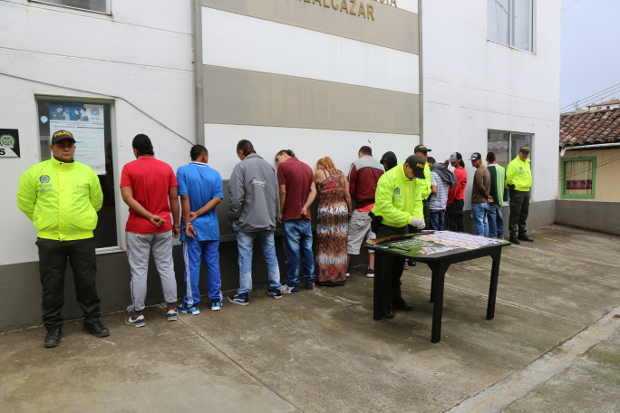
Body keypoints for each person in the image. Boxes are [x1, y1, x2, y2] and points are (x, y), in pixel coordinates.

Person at [17, 130, 109, 348]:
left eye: (69, 144)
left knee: (87, 283)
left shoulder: (87, 173)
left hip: (82, 238)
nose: (66, 147)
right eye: (61, 144)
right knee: (52, 286)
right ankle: (53, 328)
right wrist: (42, 219)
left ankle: (92, 321)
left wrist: (80, 220)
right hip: (50, 239)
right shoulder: (36, 173)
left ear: (74, 147)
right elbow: (25, 202)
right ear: (52, 148)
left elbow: (96, 202)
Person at [120, 134, 179, 328]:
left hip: (138, 228)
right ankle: (171, 309)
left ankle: (138, 314)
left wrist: (147, 215)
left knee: (139, 270)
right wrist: (176, 224)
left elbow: (128, 198)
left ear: (135, 150)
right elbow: (174, 199)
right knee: (166, 266)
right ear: (152, 148)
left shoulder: (129, 168)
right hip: (163, 226)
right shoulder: (166, 168)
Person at [372, 155, 429, 318]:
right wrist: (409, 219)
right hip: (386, 228)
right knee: (385, 270)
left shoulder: (415, 179)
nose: (415, 177)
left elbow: (418, 200)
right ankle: (384, 306)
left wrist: (419, 218)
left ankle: (396, 299)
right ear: (406, 166)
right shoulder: (388, 178)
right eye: (414, 173)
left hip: (402, 228)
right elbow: (385, 208)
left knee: (397, 268)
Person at [228, 140, 283, 305]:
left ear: (241, 151)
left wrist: (234, 216)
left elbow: (236, 198)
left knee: (245, 258)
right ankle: (275, 288)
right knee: (271, 255)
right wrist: (274, 217)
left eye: (238, 153)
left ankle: (243, 294)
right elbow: (276, 196)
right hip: (268, 221)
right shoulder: (269, 168)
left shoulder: (241, 167)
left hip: (246, 223)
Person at [177, 145, 224, 314]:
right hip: (211, 227)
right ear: (204, 156)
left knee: (192, 266)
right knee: (213, 264)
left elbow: (184, 197)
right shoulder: (215, 174)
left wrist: (189, 220)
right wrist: (201, 212)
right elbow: (218, 198)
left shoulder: (182, 171)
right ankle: (215, 301)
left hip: (193, 228)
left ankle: (192, 304)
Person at [275, 149, 317, 293]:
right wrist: (305, 206)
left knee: (293, 252)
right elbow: (314, 191)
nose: (277, 164)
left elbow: (283, 191)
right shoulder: (307, 167)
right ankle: (310, 280)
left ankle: (293, 284)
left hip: (291, 217)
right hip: (306, 217)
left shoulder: (283, 167)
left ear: (282, 155)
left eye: (277, 160)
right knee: (307, 249)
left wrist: (281, 211)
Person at [347, 146, 384, 278]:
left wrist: (350, 206)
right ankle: (371, 270)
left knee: (352, 239)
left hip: (362, 208)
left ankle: (346, 269)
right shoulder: (381, 166)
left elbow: (350, 187)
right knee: (372, 240)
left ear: (360, 153)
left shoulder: (356, 164)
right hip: (377, 210)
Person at [315, 157, 351, 286]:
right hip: (341, 210)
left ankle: (325, 277)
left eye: (318, 166)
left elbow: (317, 192)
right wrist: (349, 210)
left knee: (325, 244)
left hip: (326, 211)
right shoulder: (341, 174)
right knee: (340, 244)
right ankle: (339, 277)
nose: (317, 168)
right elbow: (347, 194)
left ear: (322, 165)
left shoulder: (320, 173)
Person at [506, 146, 534, 244]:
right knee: (515, 214)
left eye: (527, 154)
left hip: (526, 190)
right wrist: (511, 185)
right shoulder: (513, 163)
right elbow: (509, 176)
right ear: (520, 153)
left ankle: (522, 234)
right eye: (524, 153)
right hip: (517, 191)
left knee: (524, 213)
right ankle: (512, 235)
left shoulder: (527, 162)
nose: (526, 156)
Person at [428, 157, 454, 231]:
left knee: (434, 230)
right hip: (443, 205)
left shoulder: (433, 174)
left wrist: (426, 192)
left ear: (430, 164)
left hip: (434, 206)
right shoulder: (444, 173)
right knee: (441, 230)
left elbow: (434, 190)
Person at [470, 152, 492, 237]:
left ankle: (481, 242)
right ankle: (486, 241)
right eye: (472, 161)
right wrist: (488, 197)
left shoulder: (479, 171)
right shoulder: (486, 170)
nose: (473, 163)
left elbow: (480, 186)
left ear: (479, 160)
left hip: (479, 201)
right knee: (484, 221)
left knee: (479, 222)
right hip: (485, 202)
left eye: (474, 161)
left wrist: (486, 195)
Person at [486, 152, 507, 239]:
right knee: (499, 217)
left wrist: (489, 198)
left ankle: (493, 237)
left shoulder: (487, 170)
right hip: (500, 198)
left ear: (487, 160)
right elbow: (505, 185)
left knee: (492, 218)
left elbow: (490, 185)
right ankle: (500, 235)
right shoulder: (502, 169)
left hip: (491, 199)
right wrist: (504, 198)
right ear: (495, 158)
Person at [446, 152, 468, 232]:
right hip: (459, 200)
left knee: (453, 225)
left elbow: (454, 189)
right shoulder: (462, 170)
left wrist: (449, 201)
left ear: (458, 161)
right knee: (459, 223)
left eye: (453, 161)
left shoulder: (457, 172)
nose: (451, 162)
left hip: (455, 201)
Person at [413, 144, 433, 228]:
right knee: (418, 224)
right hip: (417, 200)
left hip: (426, 199)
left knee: (426, 224)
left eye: (426, 153)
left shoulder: (426, 165)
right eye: (424, 153)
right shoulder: (413, 166)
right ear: (417, 154)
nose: (426, 155)